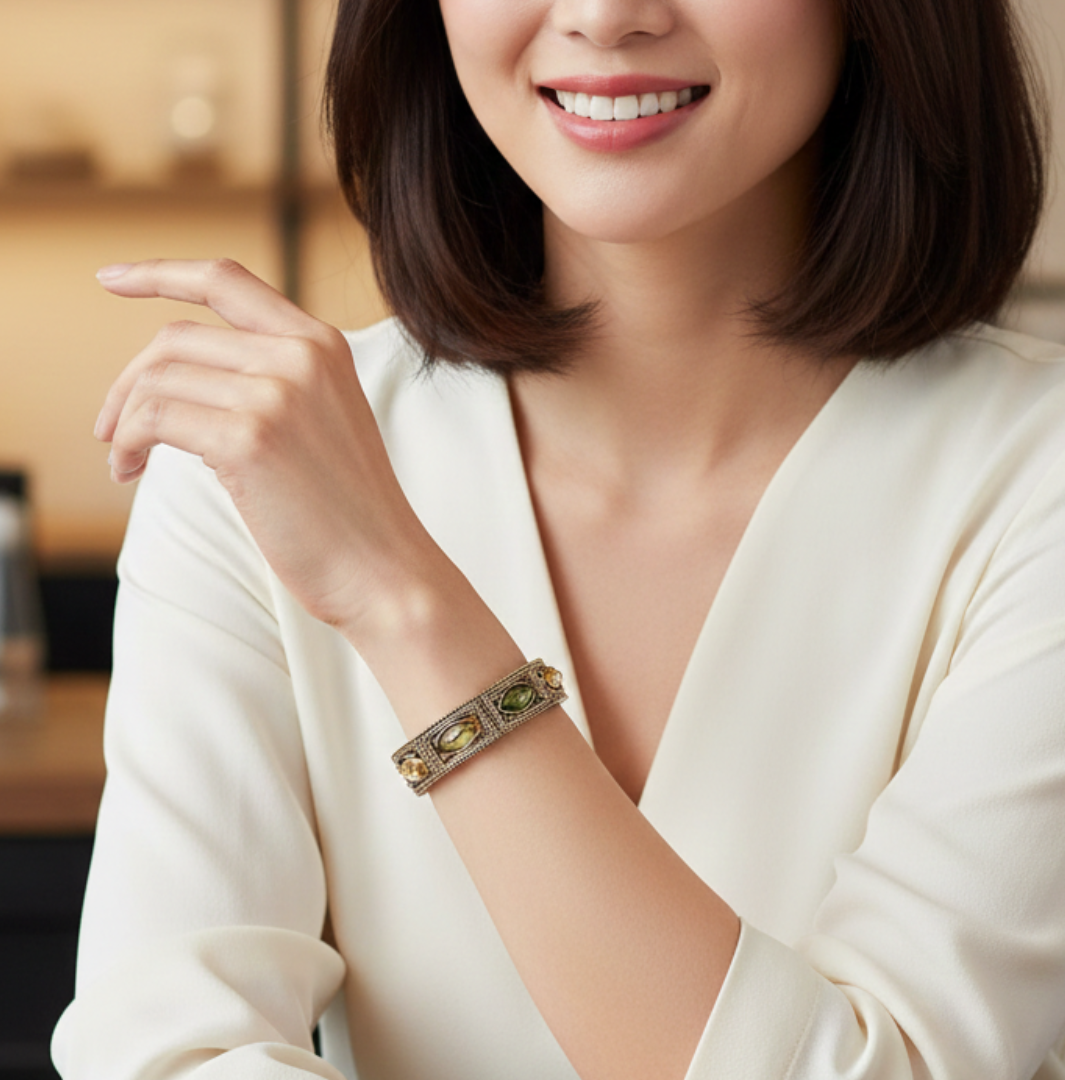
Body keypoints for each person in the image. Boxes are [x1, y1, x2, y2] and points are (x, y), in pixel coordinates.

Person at [52, 0, 1065, 1076]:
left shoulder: (1034, 477)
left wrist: (404, 603)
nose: (603, 16)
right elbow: (164, 1051)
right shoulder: (254, 473)